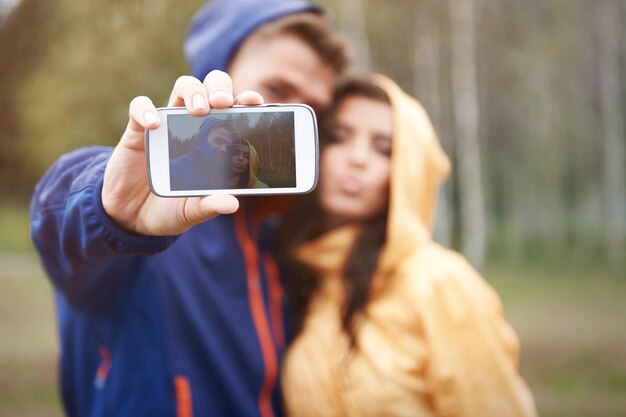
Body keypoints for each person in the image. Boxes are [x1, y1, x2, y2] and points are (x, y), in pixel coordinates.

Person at [29, 1, 348, 416]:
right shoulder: (145, 217)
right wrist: (108, 211)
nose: (289, 116)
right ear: (212, 77)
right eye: (277, 91)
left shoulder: (281, 239)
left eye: (314, 109)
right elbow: (57, 220)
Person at [275, 75, 538, 417]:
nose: (357, 158)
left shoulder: (441, 284)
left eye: (384, 148)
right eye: (338, 137)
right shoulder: (302, 278)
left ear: (410, 171)